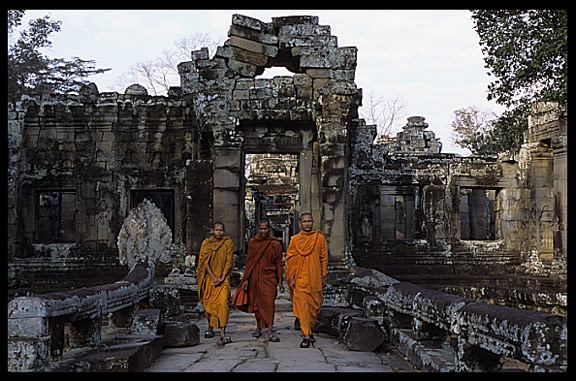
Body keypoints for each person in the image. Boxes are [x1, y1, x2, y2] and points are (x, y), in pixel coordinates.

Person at [285, 212, 328, 348]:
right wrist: (291, 277)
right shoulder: (295, 240)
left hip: (315, 277)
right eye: (304, 222)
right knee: (303, 307)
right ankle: (306, 336)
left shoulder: (319, 238)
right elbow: (290, 260)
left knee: (314, 306)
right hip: (300, 278)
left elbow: (324, 257)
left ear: (313, 222)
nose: (307, 224)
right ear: (300, 224)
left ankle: (309, 329)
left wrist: (324, 274)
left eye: (309, 221)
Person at [238, 219, 284, 342]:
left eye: (265, 228)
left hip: (269, 278)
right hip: (254, 277)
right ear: (258, 229)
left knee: (269, 303)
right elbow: (250, 262)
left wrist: (280, 281)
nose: (263, 231)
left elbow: (279, 263)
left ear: (269, 229)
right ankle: (258, 327)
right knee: (256, 303)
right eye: (261, 228)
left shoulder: (275, 244)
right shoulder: (253, 243)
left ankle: (270, 329)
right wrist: (246, 279)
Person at [197, 222, 234, 346]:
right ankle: (210, 327)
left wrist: (223, 276)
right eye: (217, 230)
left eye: (221, 230)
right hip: (209, 278)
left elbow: (229, 260)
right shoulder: (206, 244)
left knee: (223, 303)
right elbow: (204, 261)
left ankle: (223, 331)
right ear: (212, 231)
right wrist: (213, 277)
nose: (219, 232)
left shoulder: (228, 242)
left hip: (224, 279)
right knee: (209, 303)